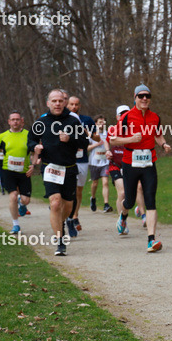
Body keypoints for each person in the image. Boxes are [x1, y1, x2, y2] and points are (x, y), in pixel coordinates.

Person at [29, 89, 90, 256]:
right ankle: (60, 241)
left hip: (69, 168)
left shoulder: (73, 121)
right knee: (55, 203)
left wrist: (70, 139)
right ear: (48, 103)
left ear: (64, 102)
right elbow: (31, 139)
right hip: (50, 168)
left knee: (68, 206)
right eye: (53, 101)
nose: (57, 104)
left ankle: (61, 223)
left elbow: (85, 142)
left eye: (60, 101)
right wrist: (34, 147)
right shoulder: (41, 122)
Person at [112, 84, 172, 252]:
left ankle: (151, 240)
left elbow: (158, 134)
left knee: (150, 200)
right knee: (129, 201)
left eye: (147, 95)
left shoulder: (155, 117)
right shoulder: (126, 117)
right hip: (130, 163)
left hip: (149, 162)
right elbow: (113, 140)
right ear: (135, 97)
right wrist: (131, 138)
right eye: (141, 96)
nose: (144, 98)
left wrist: (164, 144)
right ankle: (123, 216)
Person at [0, 111, 34, 234]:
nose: (15, 121)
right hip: (8, 170)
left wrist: (33, 164)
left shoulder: (29, 135)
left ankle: (23, 204)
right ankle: (15, 224)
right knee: (13, 195)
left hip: (24, 172)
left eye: (17, 119)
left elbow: (34, 152)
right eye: (13, 119)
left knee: (26, 200)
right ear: (9, 122)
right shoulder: (2, 136)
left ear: (22, 121)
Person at [66, 95, 98, 236]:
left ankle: (75, 216)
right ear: (67, 105)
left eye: (76, 104)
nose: (74, 107)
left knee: (78, 191)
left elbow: (97, 137)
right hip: (67, 160)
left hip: (82, 160)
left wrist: (87, 133)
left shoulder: (87, 120)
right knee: (69, 191)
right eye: (71, 104)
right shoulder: (63, 120)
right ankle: (68, 217)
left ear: (80, 106)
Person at [87, 114, 112, 213]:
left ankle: (106, 204)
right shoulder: (92, 134)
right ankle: (93, 198)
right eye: (100, 122)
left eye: (103, 122)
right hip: (94, 161)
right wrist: (97, 144)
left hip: (105, 161)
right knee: (95, 183)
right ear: (96, 123)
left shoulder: (108, 133)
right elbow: (87, 148)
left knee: (105, 182)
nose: (102, 124)